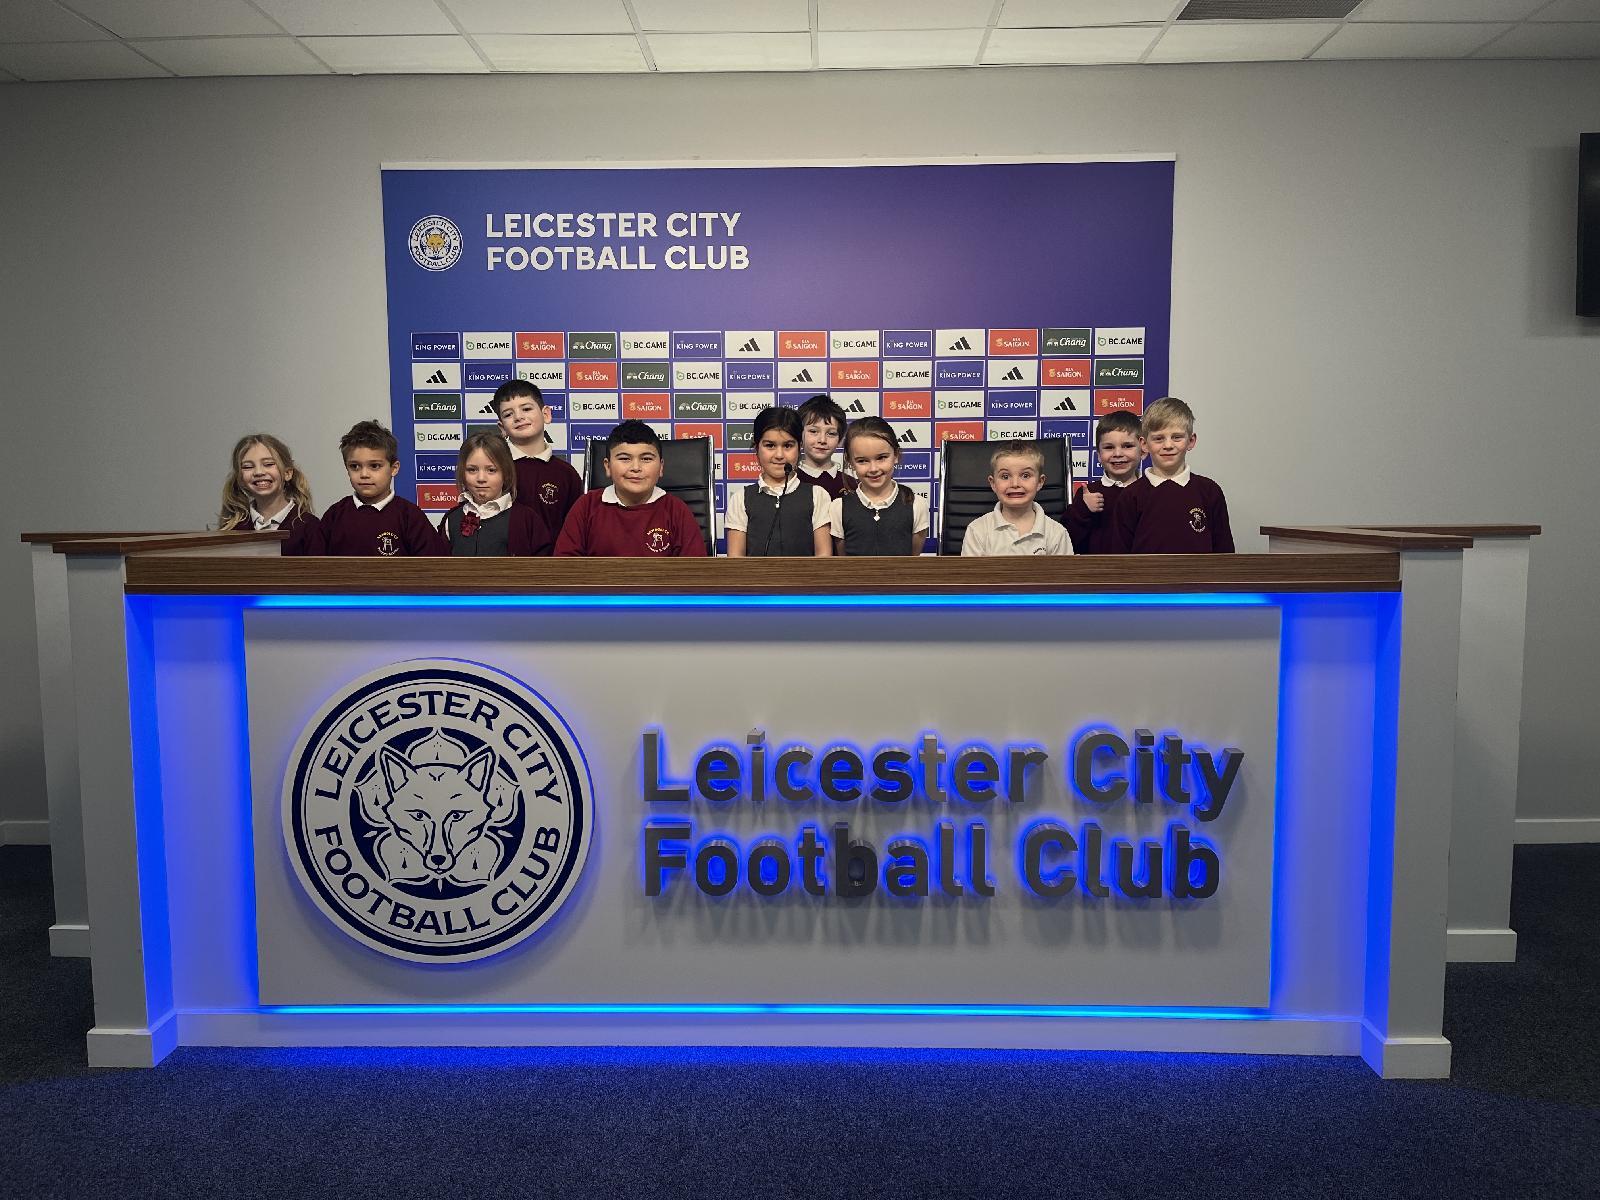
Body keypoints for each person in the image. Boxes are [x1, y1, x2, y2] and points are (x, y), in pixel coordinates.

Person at [553, 420, 708, 557]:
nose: (635, 467)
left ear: (661, 467)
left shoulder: (677, 510)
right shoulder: (586, 506)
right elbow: (565, 567)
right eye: (624, 458)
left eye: (646, 459)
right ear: (607, 467)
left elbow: (695, 571)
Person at [1115, 397, 1235, 554]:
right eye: (1158, 438)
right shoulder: (1130, 496)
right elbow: (1120, 557)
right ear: (1144, 444)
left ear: (1191, 441)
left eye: (1177, 437)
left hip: (1200, 572)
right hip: (1146, 572)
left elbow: (1224, 553)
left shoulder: (1210, 491)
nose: (1168, 445)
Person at [319, 419, 449, 556]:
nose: (364, 474)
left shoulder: (410, 517)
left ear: (394, 468)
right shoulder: (334, 516)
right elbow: (315, 565)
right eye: (355, 466)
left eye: (374, 466)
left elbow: (434, 565)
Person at [725, 407, 832, 557]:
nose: (779, 455)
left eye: (788, 446)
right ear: (756, 448)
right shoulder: (740, 499)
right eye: (770, 445)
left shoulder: (817, 495)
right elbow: (735, 560)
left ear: (800, 447)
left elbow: (824, 558)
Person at [492, 380, 583, 543]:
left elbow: (576, 530)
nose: (519, 417)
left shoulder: (567, 474)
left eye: (526, 409)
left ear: (546, 414)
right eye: (508, 414)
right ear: (502, 428)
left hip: (553, 558)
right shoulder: (492, 469)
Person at [436, 431, 551, 556]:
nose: (481, 478)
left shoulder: (527, 519)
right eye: (472, 470)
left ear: (506, 473)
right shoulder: (451, 519)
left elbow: (543, 564)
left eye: (491, 470)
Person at [829, 417, 929, 556]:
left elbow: (913, 558)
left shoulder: (917, 505)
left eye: (881, 458)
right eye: (862, 461)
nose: (873, 469)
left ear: (896, 455)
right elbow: (844, 559)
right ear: (850, 461)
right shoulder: (838, 508)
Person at [216, 432, 323, 555]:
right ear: (240, 479)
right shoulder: (232, 528)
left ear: (287, 473)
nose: (259, 472)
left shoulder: (310, 527)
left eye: (268, 464)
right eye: (248, 467)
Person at [960, 441, 1072, 557]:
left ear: (1040, 482)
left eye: (1025, 475)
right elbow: (970, 569)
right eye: (1005, 476)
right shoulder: (977, 530)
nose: (1015, 484)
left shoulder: (1057, 533)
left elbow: (1065, 569)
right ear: (993, 483)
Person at [1065, 411, 1142, 555]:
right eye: (1109, 447)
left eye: (1127, 446)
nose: (1118, 454)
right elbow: (1070, 543)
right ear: (1099, 456)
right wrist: (1083, 510)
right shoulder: (1088, 493)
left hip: (1141, 568)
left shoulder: (1150, 491)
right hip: (1097, 568)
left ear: (1143, 451)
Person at [795, 394, 852, 499]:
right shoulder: (790, 481)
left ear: (840, 440)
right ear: (799, 434)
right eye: (813, 431)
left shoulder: (851, 485)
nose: (822, 440)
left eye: (831, 433)